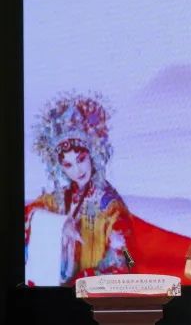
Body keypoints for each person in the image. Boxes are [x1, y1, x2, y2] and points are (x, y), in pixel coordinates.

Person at [25, 94, 134, 286]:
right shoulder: (59, 198)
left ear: (92, 156)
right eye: (68, 165)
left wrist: (83, 279)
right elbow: (27, 215)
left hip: (89, 292)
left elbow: (126, 260)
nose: (77, 170)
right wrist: (58, 226)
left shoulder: (110, 206)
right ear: (60, 167)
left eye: (81, 159)